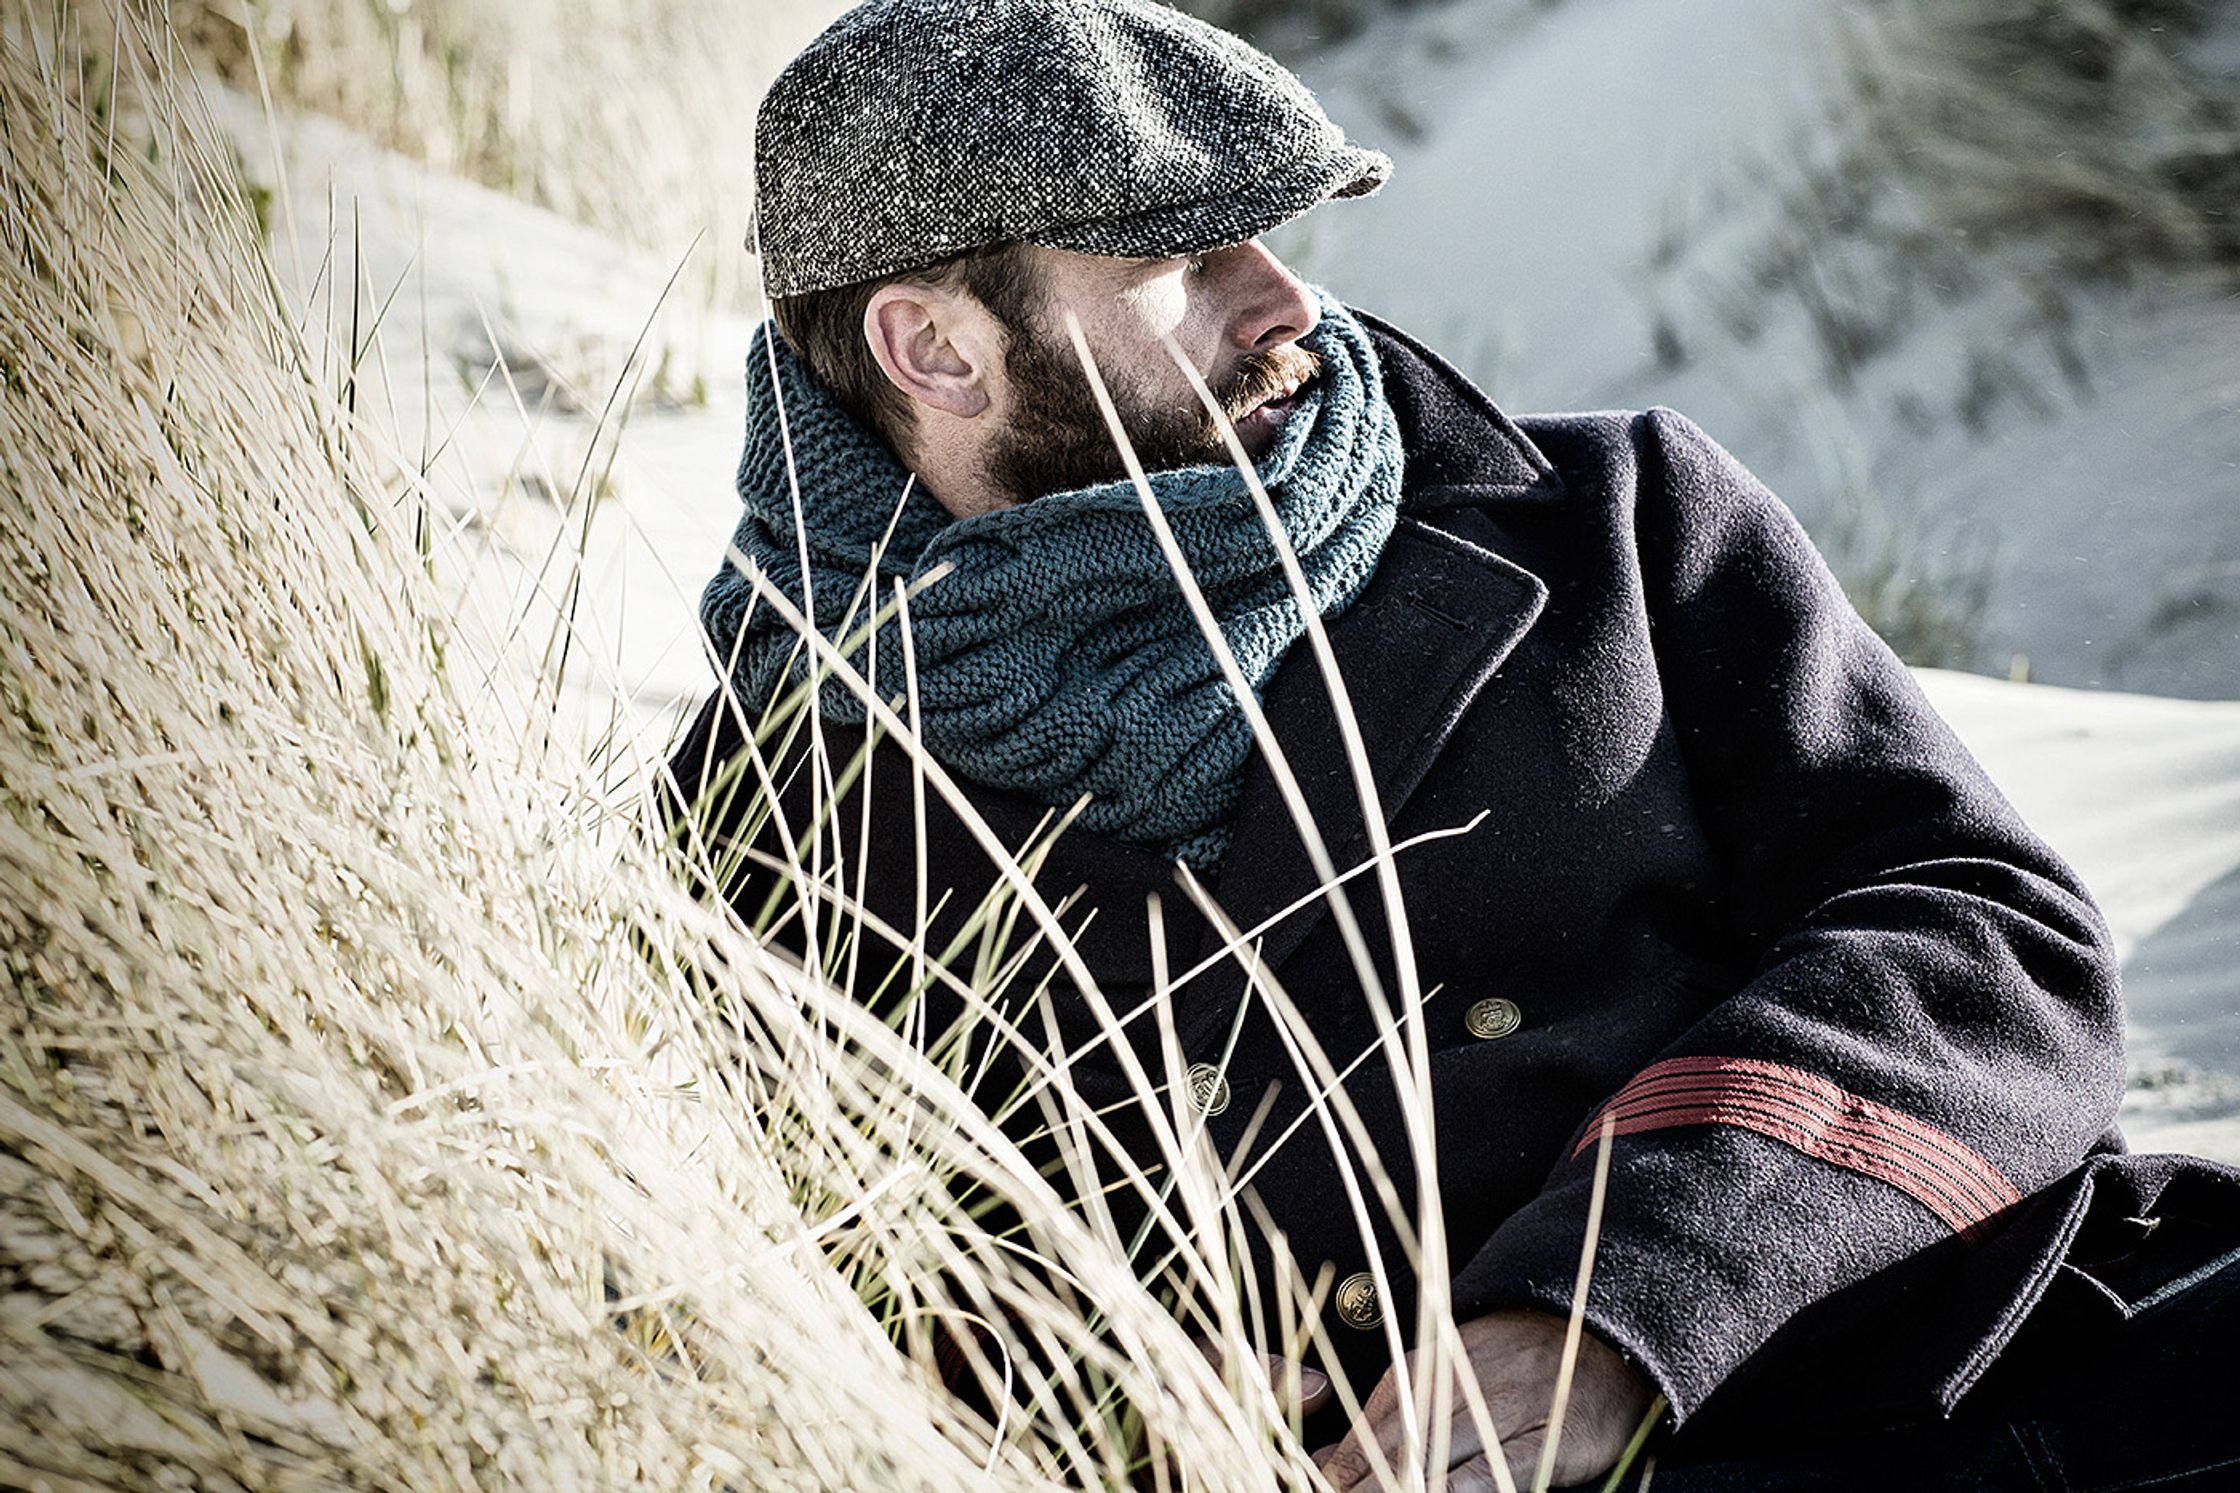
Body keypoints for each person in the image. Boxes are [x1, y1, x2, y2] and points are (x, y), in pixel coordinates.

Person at [660, 0, 2240, 1486]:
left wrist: (1609, 1308)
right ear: (934, 349)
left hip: (1973, 1389)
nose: (1285, 299)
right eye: (1182, 260)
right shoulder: (771, 809)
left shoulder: (1615, 522)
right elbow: (793, 1302)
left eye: (1268, 234)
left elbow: (1982, 935)